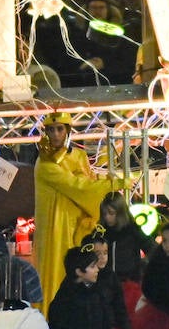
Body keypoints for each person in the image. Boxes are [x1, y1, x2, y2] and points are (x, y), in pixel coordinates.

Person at [34, 112, 124, 307]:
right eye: (51, 129)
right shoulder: (44, 164)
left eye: (60, 129)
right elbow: (76, 186)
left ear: (68, 130)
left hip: (79, 226)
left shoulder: (79, 155)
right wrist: (112, 185)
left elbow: (87, 182)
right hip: (55, 229)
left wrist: (103, 182)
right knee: (57, 270)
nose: (56, 134)